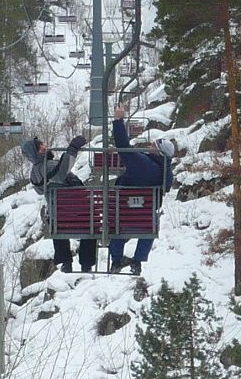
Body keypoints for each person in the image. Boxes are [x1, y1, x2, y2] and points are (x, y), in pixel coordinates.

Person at [108, 105, 174, 275]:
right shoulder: (164, 174)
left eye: (153, 145)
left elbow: (123, 146)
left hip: (124, 214)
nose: (149, 146)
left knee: (118, 221)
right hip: (145, 219)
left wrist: (118, 120)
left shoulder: (144, 165)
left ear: (158, 151)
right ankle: (138, 261)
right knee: (151, 222)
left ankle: (116, 260)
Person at [21, 134, 98, 273]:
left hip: (60, 217)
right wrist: (72, 149)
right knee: (92, 225)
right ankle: (86, 263)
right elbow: (61, 172)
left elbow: (40, 190)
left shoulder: (35, 173)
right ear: (36, 153)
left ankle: (65, 260)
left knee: (54, 221)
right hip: (81, 214)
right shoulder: (49, 166)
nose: (45, 146)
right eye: (40, 146)